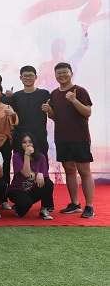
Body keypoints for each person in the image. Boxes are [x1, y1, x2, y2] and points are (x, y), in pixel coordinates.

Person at [44, 62, 94, 218]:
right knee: (69, 170)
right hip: (62, 138)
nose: (62, 75)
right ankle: (75, 203)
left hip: (80, 138)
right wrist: (49, 111)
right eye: (58, 73)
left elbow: (87, 112)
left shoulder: (80, 91)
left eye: (65, 72)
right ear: (55, 75)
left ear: (71, 73)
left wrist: (74, 100)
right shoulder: (54, 94)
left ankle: (89, 206)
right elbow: (55, 117)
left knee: (84, 172)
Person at [8, 132, 54, 220]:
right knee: (23, 209)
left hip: (32, 189)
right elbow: (26, 174)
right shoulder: (17, 156)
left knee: (48, 183)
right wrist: (27, 155)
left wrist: (40, 174)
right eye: (24, 142)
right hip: (17, 190)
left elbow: (44, 177)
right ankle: (18, 206)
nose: (27, 144)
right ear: (20, 144)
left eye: (30, 142)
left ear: (34, 143)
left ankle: (43, 210)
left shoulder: (41, 157)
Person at [11, 65, 51, 162]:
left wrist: (49, 109)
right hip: (20, 136)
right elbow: (14, 117)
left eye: (30, 75)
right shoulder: (16, 96)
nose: (28, 78)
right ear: (21, 78)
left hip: (39, 135)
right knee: (20, 163)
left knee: (41, 163)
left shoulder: (44, 94)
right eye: (25, 76)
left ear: (36, 77)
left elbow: (53, 115)